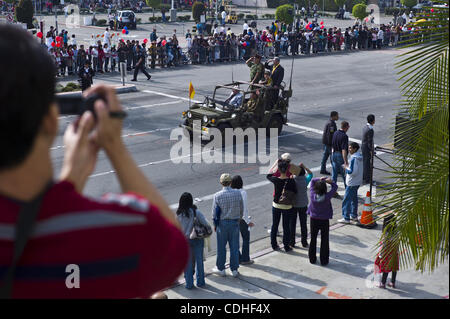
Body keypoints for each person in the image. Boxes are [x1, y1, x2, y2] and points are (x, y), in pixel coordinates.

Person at [0, 25, 188, 298]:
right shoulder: (104, 231)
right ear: (51, 122)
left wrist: (68, 185)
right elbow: (173, 249)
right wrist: (115, 147)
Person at [211, 174, 244, 277]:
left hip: (222, 223)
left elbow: (214, 213)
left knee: (221, 247)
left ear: (221, 183)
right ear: (230, 182)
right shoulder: (238, 193)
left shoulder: (217, 195)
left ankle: (221, 268)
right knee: (234, 247)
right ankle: (234, 269)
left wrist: (215, 224)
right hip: (234, 222)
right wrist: (238, 219)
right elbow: (241, 208)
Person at [176, 193, 209, 289]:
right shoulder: (196, 212)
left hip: (185, 241)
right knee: (199, 261)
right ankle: (200, 282)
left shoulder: (178, 214)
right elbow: (205, 223)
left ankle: (189, 284)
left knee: (188, 263)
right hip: (197, 239)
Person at [267, 160, 297, 252]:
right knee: (286, 226)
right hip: (287, 206)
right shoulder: (291, 181)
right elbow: (295, 191)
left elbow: (268, 175)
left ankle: (274, 245)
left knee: (275, 225)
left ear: (279, 170)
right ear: (288, 169)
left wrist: (276, 163)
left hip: (276, 205)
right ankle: (286, 246)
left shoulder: (276, 180)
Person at [307, 177, 338, 265]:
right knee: (324, 239)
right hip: (324, 220)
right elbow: (335, 187)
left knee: (313, 239)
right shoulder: (327, 196)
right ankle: (324, 260)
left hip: (314, 219)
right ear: (325, 189)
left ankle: (312, 259)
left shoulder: (312, 195)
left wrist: (321, 179)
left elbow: (312, 181)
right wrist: (330, 182)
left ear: (315, 188)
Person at [231, 175, 255, 265]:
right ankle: (245, 259)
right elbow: (244, 209)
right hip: (241, 219)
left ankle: (238, 258)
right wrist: (248, 221)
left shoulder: (231, 192)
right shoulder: (243, 192)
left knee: (234, 240)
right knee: (245, 238)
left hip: (232, 219)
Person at [339, 142, 363, 224]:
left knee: (346, 200)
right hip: (357, 181)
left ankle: (346, 217)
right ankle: (354, 215)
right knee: (354, 199)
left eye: (350, 148)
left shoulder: (354, 158)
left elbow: (352, 172)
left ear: (355, 149)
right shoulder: (360, 157)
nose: (349, 150)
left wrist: (346, 168)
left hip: (352, 182)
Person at [291, 163, 313, 248]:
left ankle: (292, 242)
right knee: (303, 224)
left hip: (293, 205)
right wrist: (305, 167)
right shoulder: (305, 180)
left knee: (292, 224)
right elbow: (311, 174)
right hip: (303, 204)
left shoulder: (292, 180)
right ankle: (304, 242)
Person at [375, 215, 399, 289]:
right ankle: (393, 282)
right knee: (393, 268)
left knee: (386, 269)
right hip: (394, 252)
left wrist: (381, 255)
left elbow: (384, 245)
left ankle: (383, 283)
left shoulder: (386, 234)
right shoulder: (396, 232)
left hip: (386, 253)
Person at [331, 121, 350, 190]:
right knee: (344, 175)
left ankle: (333, 191)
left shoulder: (335, 133)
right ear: (346, 127)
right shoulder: (344, 136)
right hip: (340, 155)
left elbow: (332, 145)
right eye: (348, 126)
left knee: (334, 174)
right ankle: (347, 190)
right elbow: (344, 150)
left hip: (334, 154)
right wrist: (346, 162)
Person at [321, 111, 339, 175]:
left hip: (326, 143)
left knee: (325, 157)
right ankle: (336, 170)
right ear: (333, 116)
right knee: (333, 158)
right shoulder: (332, 124)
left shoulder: (329, 122)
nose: (338, 117)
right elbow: (330, 135)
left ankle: (322, 169)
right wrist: (333, 144)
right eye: (337, 116)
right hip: (330, 144)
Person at [362, 114, 375, 185]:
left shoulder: (365, 127)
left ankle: (364, 177)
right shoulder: (370, 130)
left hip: (363, 147)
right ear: (373, 121)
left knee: (365, 163)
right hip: (367, 148)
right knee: (367, 164)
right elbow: (370, 142)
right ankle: (367, 179)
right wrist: (371, 151)